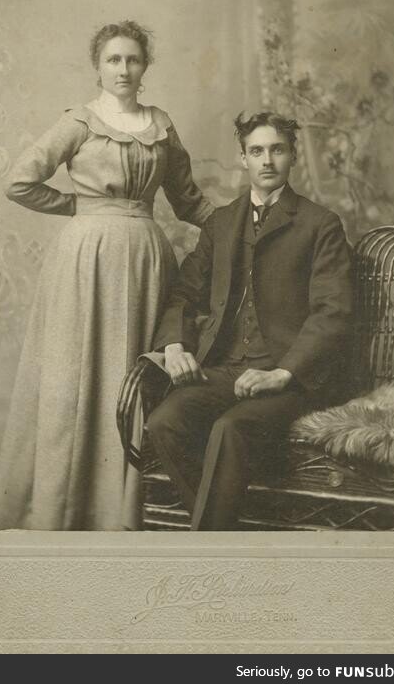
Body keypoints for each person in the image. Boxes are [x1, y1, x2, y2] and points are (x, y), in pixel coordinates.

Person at [0, 20, 213, 531]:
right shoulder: (79, 121)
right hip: (84, 259)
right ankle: (62, 504)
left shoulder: (161, 124)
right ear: (98, 66)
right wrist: (77, 206)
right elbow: (19, 182)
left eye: (133, 59)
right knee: (75, 373)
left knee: (133, 373)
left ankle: (123, 505)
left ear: (145, 67)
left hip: (147, 261)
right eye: (113, 59)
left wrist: (241, 226)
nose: (123, 69)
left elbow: (188, 200)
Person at [146, 111, 353, 530]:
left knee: (231, 428)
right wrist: (174, 345)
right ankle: (221, 534)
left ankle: (211, 545)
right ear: (243, 159)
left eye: (277, 149)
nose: (267, 160)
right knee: (164, 422)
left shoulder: (320, 225)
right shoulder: (221, 224)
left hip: (290, 377)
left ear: (292, 155)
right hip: (226, 369)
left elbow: (333, 313)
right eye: (256, 151)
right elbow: (184, 292)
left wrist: (284, 372)